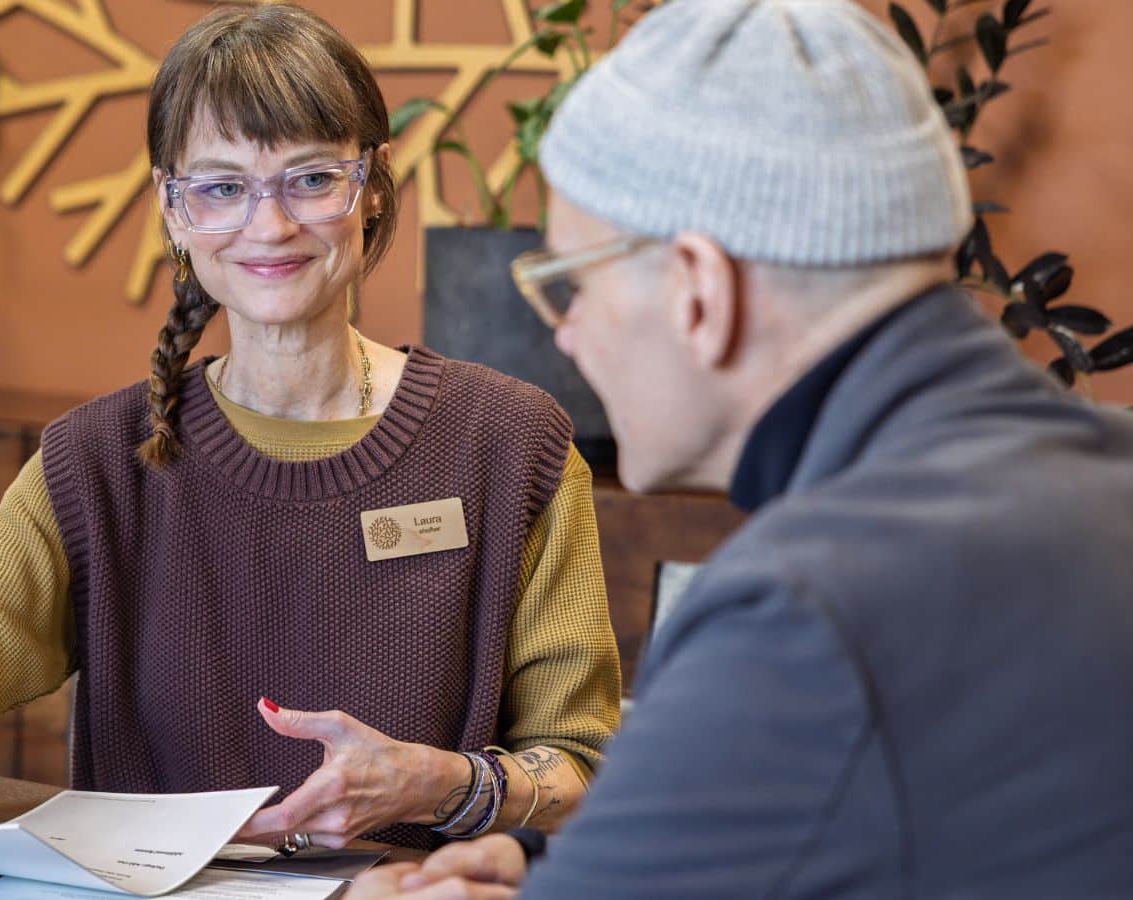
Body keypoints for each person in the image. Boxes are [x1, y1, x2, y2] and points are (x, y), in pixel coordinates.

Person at [0, 3, 621, 867]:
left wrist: (437, 782)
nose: (270, 224)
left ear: (374, 185)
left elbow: (582, 767)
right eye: (221, 187)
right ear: (173, 212)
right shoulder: (95, 462)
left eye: (311, 178)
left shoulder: (511, 446)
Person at [352, 0, 1133, 896]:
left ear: (699, 289)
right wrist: (550, 861)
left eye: (572, 284)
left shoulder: (805, 611)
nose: (567, 336)